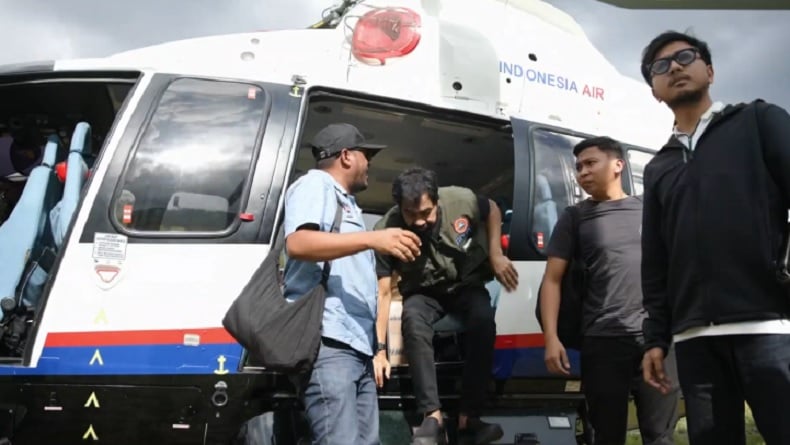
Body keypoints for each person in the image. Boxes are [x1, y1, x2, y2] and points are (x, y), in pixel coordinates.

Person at [639, 31, 790, 445]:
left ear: (709, 70)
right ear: (654, 90)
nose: (674, 66)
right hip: (694, 341)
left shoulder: (760, 121)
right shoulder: (658, 169)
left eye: (685, 56)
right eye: (660, 65)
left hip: (770, 327)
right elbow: (655, 260)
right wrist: (655, 339)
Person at [283, 123, 423, 445]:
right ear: (346, 156)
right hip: (328, 343)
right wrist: (374, 238)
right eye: (365, 155)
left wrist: (377, 349)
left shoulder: (349, 206)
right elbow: (299, 244)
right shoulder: (314, 184)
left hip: (358, 349)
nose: (369, 164)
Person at [540, 136, 679, 445]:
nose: (582, 172)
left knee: (660, 437)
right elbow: (551, 280)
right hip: (602, 342)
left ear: (618, 165)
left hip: (656, 340)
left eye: (590, 163)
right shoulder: (574, 218)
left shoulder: (651, 208)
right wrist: (551, 338)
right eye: (578, 167)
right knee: (606, 436)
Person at [372, 167, 518, 445]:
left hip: (465, 284)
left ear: (437, 202)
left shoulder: (461, 200)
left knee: (483, 320)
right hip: (423, 291)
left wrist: (497, 254)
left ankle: (469, 419)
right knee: (413, 320)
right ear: (399, 208)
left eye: (426, 213)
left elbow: (494, 210)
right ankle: (432, 417)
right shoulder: (386, 230)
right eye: (410, 214)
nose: (419, 221)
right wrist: (380, 350)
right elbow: (382, 293)